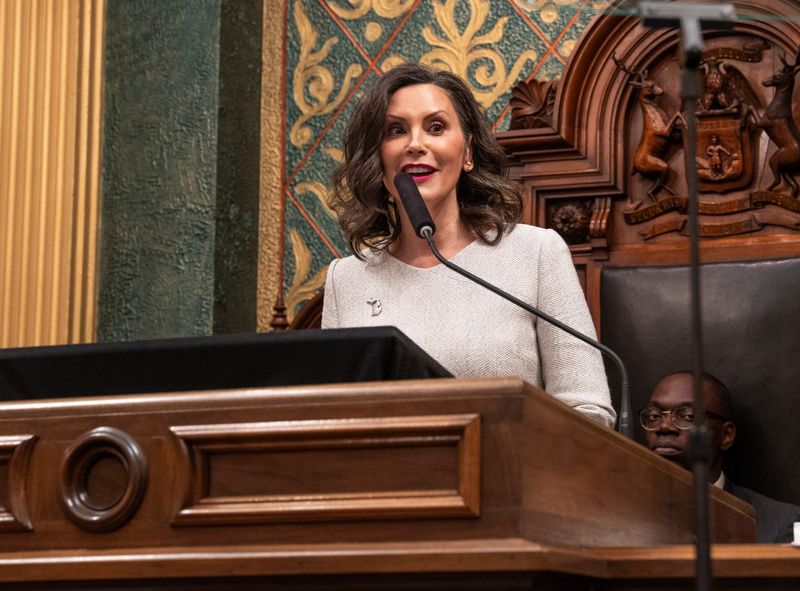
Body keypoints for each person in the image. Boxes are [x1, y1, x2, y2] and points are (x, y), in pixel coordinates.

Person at [321, 63, 616, 429]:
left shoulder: (536, 254)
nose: (416, 144)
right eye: (396, 130)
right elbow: (332, 420)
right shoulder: (346, 280)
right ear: (378, 161)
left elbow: (588, 412)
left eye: (436, 127)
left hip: (511, 480)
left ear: (468, 153)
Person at [641, 371, 800, 543]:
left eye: (687, 416)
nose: (664, 426)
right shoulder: (618, 510)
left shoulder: (782, 523)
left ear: (726, 435)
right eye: (654, 416)